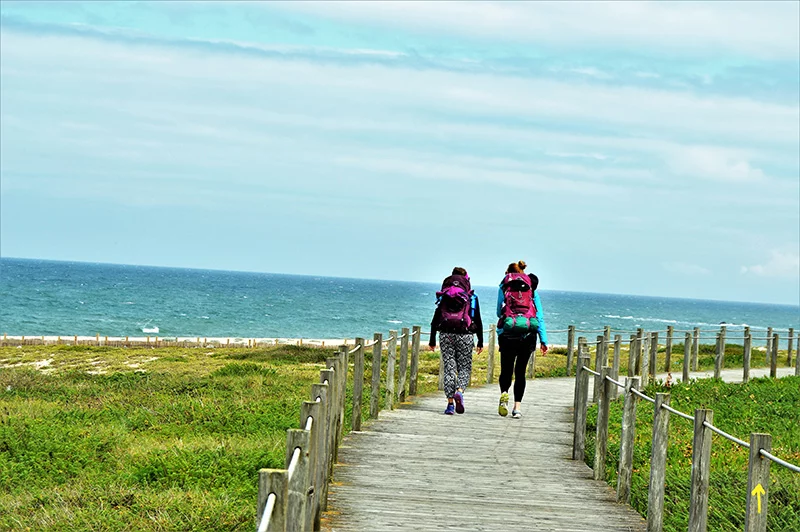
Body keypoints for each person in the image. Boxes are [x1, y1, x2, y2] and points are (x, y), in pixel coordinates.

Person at [496, 260, 548, 419]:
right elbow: (539, 317)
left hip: (508, 334)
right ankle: (517, 407)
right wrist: (543, 340)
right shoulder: (531, 289)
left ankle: (504, 395)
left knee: (506, 370)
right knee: (520, 372)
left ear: (508, 274)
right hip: (527, 335)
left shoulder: (504, 287)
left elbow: (499, 312)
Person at [429, 267, 483, 415]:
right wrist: (480, 341)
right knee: (464, 368)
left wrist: (432, 340)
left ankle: (450, 405)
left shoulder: (444, 295)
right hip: (465, 335)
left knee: (449, 368)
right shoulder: (471, 297)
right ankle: (459, 391)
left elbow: (435, 319)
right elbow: (477, 319)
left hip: (446, 335)